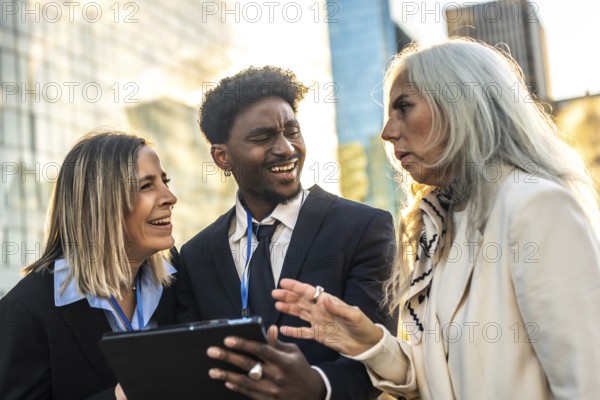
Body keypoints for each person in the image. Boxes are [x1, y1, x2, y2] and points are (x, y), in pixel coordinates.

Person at [272, 38, 600, 400]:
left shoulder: (535, 205)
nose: (387, 132)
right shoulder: (439, 225)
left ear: (463, 105)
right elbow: (439, 379)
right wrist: (370, 342)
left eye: (404, 107)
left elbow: (587, 381)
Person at [175, 66, 397, 400]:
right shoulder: (195, 256)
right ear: (222, 157)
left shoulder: (364, 229)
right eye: (262, 138)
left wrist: (317, 385)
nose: (286, 148)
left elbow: (378, 357)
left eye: (291, 131)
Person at [0, 131, 178, 400]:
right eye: (146, 186)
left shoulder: (178, 277)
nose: (170, 197)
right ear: (101, 202)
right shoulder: (27, 310)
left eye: (165, 181)